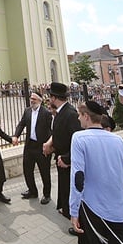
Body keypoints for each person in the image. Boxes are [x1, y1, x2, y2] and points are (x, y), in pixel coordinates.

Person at [69, 101, 123, 244]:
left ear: (86, 116)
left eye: (79, 115)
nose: (78, 119)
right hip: (122, 211)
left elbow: (77, 179)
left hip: (95, 210)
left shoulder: (79, 138)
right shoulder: (119, 141)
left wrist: (74, 211)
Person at [44, 82, 82, 221]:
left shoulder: (70, 114)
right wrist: (51, 144)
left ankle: (74, 217)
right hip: (61, 157)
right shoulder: (61, 112)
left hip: (68, 160)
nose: (48, 99)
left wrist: (67, 158)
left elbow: (78, 140)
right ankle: (66, 210)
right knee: (64, 186)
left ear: (54, 98)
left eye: (50, 97)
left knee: (70, 188)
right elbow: (60, 133)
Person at [12, 92, 52, 205]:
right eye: (31, 98)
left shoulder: (46, 113)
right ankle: (32, 191)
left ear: (40, 100)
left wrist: (49, 145)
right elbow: (21, 124)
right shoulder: (27, 111)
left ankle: (47, 194)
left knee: (44, 171)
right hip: (29, 146)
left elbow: (51, 131)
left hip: (42, 146)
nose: (32, 100)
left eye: (34, 98)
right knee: (27, 170)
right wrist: (16, 135)